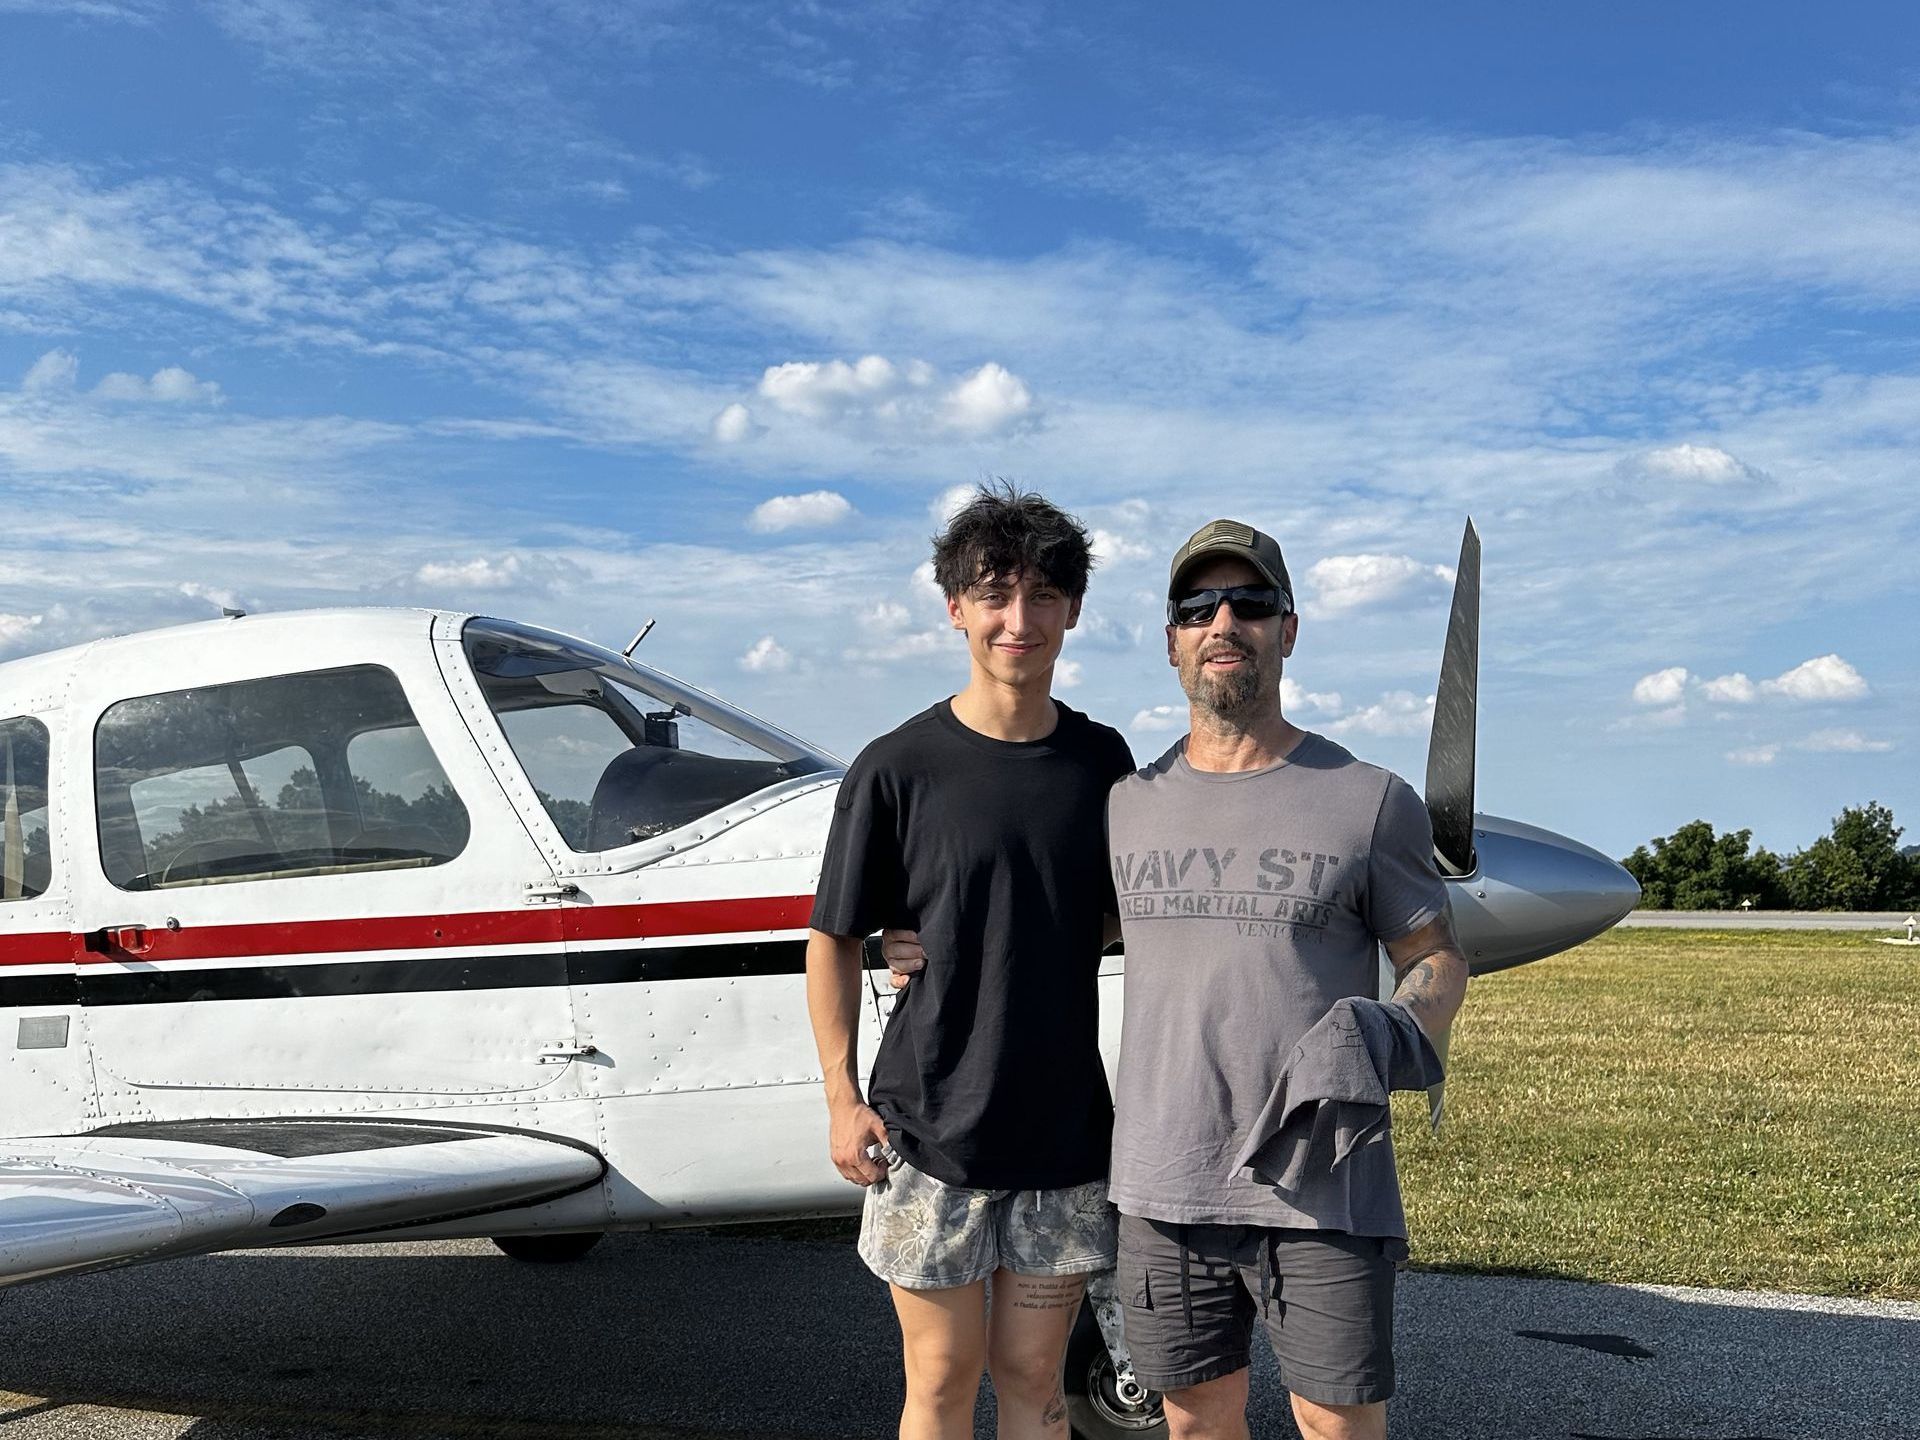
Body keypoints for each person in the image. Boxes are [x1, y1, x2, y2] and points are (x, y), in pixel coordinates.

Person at [1104, 517, 1471, 1440]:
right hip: (1165, 1180)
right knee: (1193, 1426)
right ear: (1173, 641)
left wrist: (1395, 1032)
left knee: (1336, 1425)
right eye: (1198, 606)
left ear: (1288, 629)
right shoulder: (1123, 806)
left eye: (1251, 602)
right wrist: (909, 939)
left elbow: (1434, 953)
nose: (1224, 620)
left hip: (1322, 1181)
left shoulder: (1369, 799)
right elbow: (1040, 928)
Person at [804, 484, 1136, 1440]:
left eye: (1041, 596)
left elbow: (1122, 913)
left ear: (1072, 609)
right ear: (956, 607)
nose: (1017, 621)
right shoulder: (897, 768)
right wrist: (839, 1097)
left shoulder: (1103, 764)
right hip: (929, 1133)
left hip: (1066, 1137)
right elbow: (830, 937)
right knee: (941, 1382)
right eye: (994, 595)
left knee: (1034, 1382)